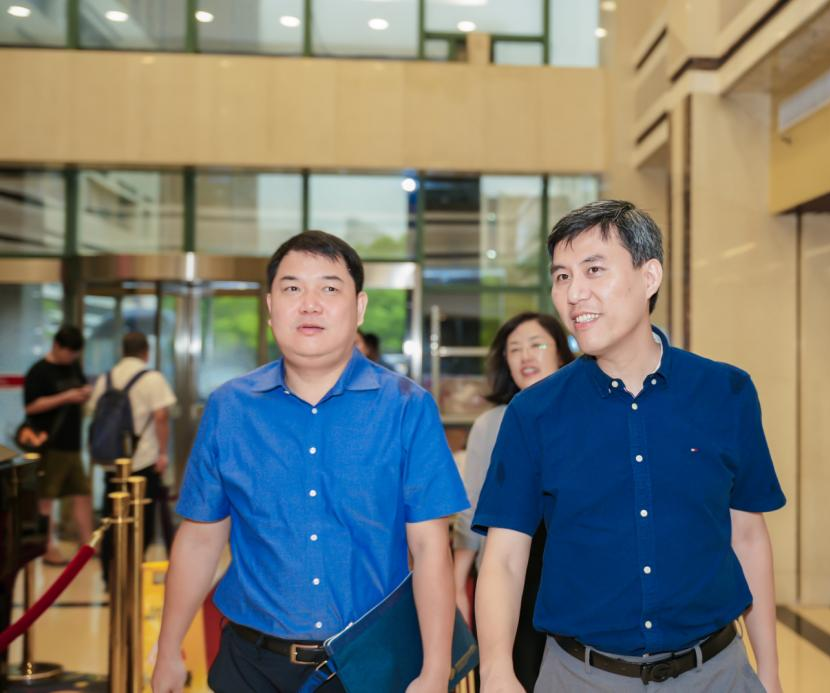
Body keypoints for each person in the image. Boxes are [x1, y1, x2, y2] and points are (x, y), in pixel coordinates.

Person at [473, 200, 786, 692]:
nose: (574, 293)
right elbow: (505, 558)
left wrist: (768, 672)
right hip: (578, 677)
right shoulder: (534, 413)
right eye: (561, 276)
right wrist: (496, 671)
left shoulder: (725, 392)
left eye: (594, 270)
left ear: (649, 276)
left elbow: (747, 536)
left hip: (715, 673)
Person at [152, 230, 469, 693]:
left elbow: (429, 548)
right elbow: (200, 540)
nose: (310, 304)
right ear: (270, 306)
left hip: (369, 667)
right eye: (292, 288)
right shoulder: (230, 408)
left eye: (329, 288)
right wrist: (167, 651)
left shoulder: (406, 407)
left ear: (359, 307)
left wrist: (435, 670)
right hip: (250, 666)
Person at [453, 312, 575, 690]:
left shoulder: (585, 415)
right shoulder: (491, 423)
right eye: (515, 349)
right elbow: (472, 509)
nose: (526, 356)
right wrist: (458, 583)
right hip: (508, 573)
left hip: (571, 573)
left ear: (561, 353)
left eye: (537, 345)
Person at [86, 331, 176, 583]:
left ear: (122, 351)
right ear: (146, 352)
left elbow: (93, 411)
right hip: (143, 461)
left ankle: (110, 576)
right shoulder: (152, 378)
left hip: (113, 463)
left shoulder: (106, 378)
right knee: (141, 520)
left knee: (111, 519)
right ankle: (133, 574)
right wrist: (162, 452)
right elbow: (161, 416)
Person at [22, 325, 94, 565]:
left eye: (75, 353)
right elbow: (31, 407)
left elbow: (80, 390)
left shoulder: (73, 367)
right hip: (49, 444)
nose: (71, 357)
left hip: (72, 444)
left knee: (82, 493)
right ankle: (47, 548)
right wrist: (65, 397)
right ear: (56, 345)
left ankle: (88, 544)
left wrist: (84, 393)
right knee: (47, 499)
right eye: (69, 352)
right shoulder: (39, 371)